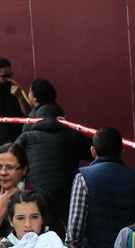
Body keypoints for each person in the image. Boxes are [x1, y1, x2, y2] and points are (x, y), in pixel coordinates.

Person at [15, 82, 91, 235]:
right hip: (68, 192)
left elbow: (12, 158)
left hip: (36, 192)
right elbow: (93, 151)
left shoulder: (27, 136)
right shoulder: (71, 134)